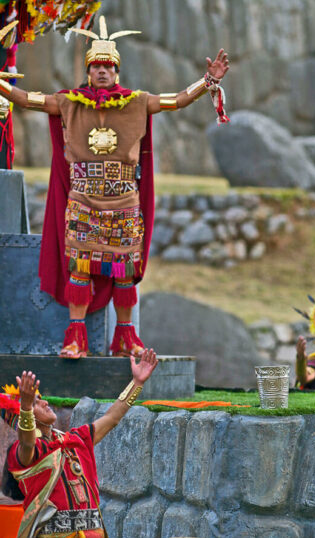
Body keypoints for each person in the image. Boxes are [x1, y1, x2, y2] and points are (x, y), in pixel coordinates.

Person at [0, 16, 229, 358]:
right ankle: (76, 338)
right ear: (88, 70)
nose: (102, 72)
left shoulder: (137, 102)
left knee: (124, 272)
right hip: (82, 201)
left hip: (124, 203)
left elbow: (178, 100)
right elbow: (27, 98)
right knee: (80, 267)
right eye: (96, 66)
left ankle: (125, 339)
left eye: (108, 66)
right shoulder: (69, 102)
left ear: (117, 71)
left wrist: (207, 81)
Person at [1, 348, 158, 538]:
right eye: (36, 403)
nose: (44, 403)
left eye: (40, 399)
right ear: (23, 416)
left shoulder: (75, 439)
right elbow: (27, 441)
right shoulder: (27, 452)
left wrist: (137, 382)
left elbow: (111, 418)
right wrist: (26, 407)